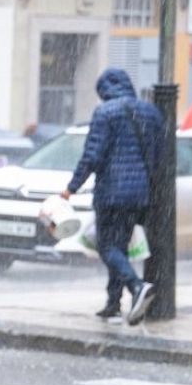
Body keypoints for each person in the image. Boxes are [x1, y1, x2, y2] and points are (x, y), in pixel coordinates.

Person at [61, 68, 165, 325]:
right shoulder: (150, 113)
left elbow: (92, 156)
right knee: (120, 248)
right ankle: (113, 304)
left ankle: (137, 287)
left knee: (107, 247)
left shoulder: (106, 113)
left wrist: (71, 188)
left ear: (105, 90)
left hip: (112, 192)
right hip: (138, 194)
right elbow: (157, 155)